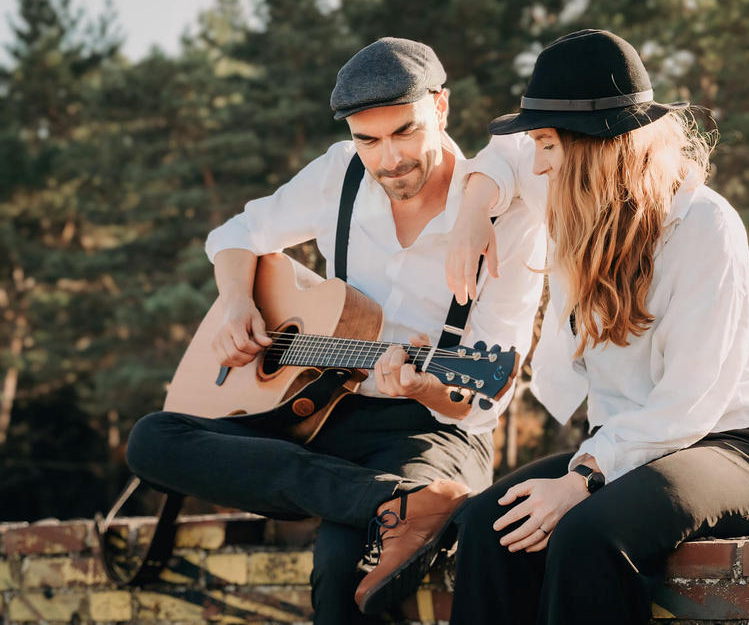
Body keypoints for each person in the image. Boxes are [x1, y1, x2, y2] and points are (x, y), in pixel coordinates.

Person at [124, 37, 545, 624]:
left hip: (433, 431)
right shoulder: (339, 175)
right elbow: (236, 235)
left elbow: (486, 391)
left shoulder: (506, 217)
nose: (389, 159)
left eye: (404, 132)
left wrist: (419, 384)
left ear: (441, 108)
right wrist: (238, 304)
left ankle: (403, 503)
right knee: (152, 441)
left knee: (342, 573)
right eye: (368, 140)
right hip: (324, 411)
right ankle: (389, 503)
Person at [444, 29, 749, 625]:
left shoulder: (705, 227)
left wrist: (581, 477)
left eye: (547, 145)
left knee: (589, 535)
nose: (537, 163)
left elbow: (689, 403)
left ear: (595, 148)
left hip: (731, 447)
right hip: (623, 452)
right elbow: (502, 157)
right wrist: (472, 211)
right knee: (487, 524)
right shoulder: (574, 192)